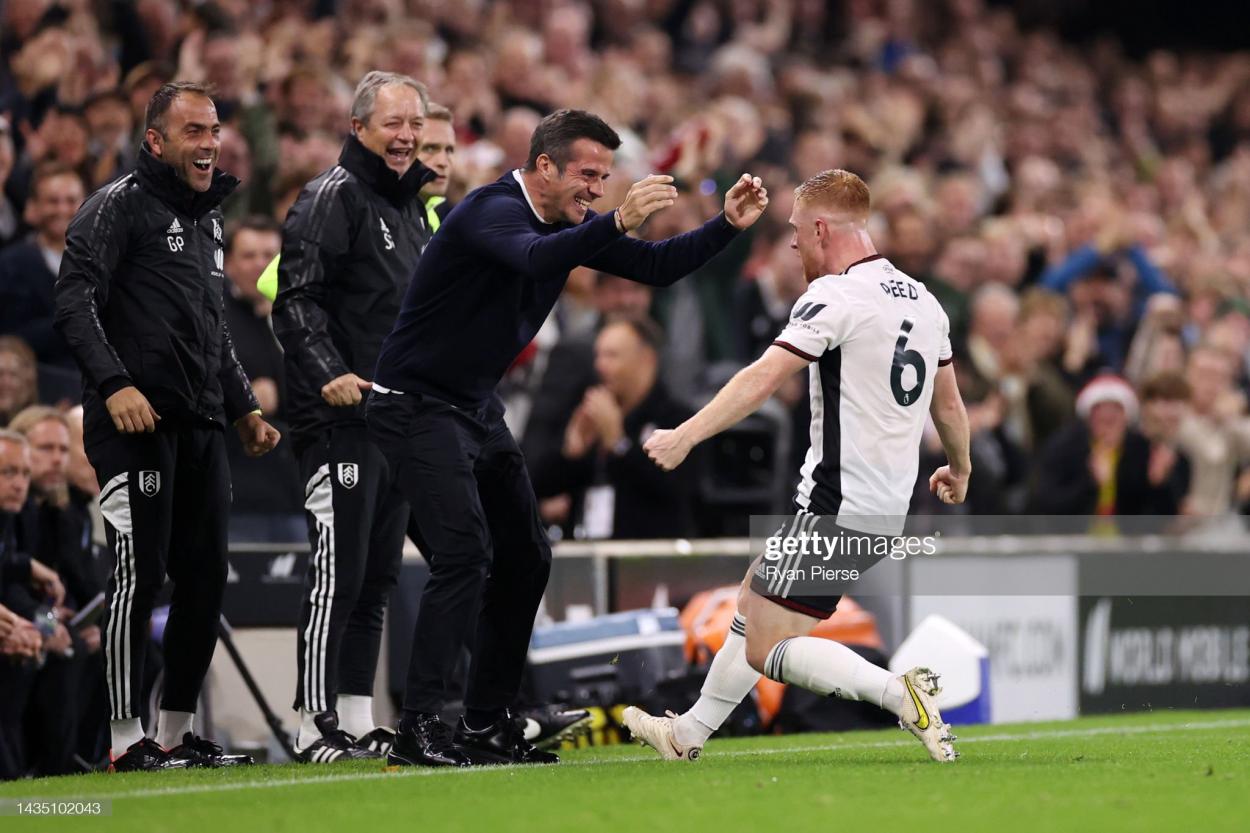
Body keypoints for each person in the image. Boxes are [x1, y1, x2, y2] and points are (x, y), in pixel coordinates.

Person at [368, 108, 768, 767]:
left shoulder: (570, 226)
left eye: (605, 177)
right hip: (413, 405)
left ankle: (484, 721)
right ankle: (420, 727)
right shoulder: (489, 211)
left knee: (527, 553)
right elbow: (533, 257)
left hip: (471, 405)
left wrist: (725, 226)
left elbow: (658, 266)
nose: (597, 188)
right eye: (587, 173)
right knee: (465, 555)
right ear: (544, 166)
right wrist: (616, 220)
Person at [622, 169, 968, 764]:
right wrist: (959, 469)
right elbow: (951, 404)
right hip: (887, 508)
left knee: (767, 645)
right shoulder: (924, 299)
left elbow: (763, 377)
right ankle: (689, 734)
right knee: (755, 595)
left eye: (794, 231)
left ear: (821, 227)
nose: (791, 244)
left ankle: (896, 690)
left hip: (836, 505)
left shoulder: (835, 295)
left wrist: (686, 434)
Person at [53, 81, 281, 772]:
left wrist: (241, 405)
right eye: (193, 131)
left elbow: (210, 329)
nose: (209, 142)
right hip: (135, 424)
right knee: (139, 574)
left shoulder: (208, 218)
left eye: (213, 129)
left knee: (207, 578)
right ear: (156, 140)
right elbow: (73, 298)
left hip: (201, 423)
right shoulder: (118, 206)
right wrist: (115, 383)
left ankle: (174, 731)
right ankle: (125, 740)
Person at [271, 71, 436, 764]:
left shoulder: (404, 207)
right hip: (339, 419)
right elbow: (294, 299)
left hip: (391, 419)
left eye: (413, 125)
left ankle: (360, 716)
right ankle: (311, 722)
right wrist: (329, 375)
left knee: (375, 576)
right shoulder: (331, 196)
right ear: (359, 126)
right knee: (336, 572)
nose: (405, 137)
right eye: (392, 124)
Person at [531, 316, 697, 539]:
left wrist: (619, 444)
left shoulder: (678, 419)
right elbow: (539, 488)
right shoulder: (590, 413)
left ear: (646, 359)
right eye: (598, 355)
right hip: (589, 554)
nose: (600, 365)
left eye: (612, 356)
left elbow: (678, 491)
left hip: (651, 556)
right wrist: (572, 453)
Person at [7, 406, 104, 776]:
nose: (56, 460)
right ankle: (48, 767)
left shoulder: (55, 509)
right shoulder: (21, 508)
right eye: (46, 449)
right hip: (16, 619)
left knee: (82, 643)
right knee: (65, 646)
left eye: (63, 450)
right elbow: (12, 582)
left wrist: (52, 616)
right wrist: (42, 621)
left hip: (28, 615)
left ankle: (70, 762)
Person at [0, 164, 86, 372]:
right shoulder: (11, 264)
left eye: (71, 201)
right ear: (34, 206)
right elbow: (11, 337)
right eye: (53, 201)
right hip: (42, 382)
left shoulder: (109, 259)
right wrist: (72, 317)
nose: (62, 209)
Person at [417, 102, 456, 231]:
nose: (443, 162)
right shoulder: (376, 215)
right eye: (429, 148)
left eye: (449, 150)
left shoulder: (434, 218)